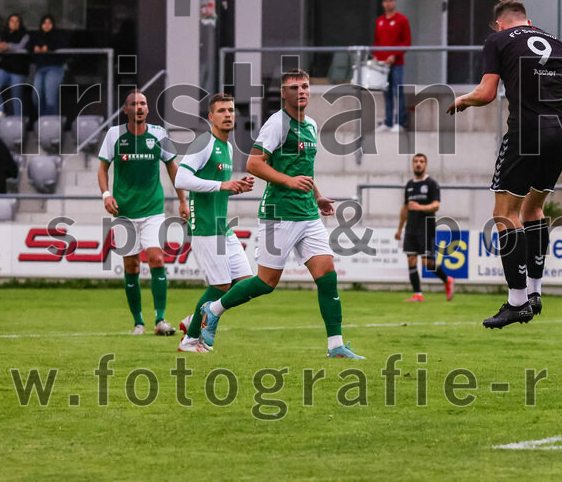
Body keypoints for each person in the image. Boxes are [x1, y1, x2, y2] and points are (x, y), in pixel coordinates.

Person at [198, 69, 364, 359]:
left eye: (305, 86)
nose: (301, 91)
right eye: (294, 87)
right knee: (265, 283)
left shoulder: (311, 125)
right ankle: (213, 310)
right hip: (279, 213)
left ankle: (336, 345)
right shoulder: (277, 124)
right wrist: (289, 182)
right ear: (283, 94)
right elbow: (253, 163)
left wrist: (318, 196)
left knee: (327, 276)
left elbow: (304, 172)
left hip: (308, 214)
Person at [447, 0, 562, 328]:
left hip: (526, 133)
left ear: (499, 24)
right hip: (561, 135)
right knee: (533, 210)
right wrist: (560, 122)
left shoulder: (497, 41)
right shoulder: (557, 43)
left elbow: (485, 93)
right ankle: (535, 292)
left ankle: (517, 302)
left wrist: (463, 100)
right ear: (529, 19)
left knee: (505, 215)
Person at [97, 90, 188, 336]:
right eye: (134, 104)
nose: (139, 107)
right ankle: (138, 322)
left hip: (152, 209)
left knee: (157, 258)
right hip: (124, 210)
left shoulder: (159, 135)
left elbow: (172, 168)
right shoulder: (114, 135)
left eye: (143, 103)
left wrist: (182, 200)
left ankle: (160, 320)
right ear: (125, 109)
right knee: (132, 266)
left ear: (148, 109)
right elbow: (102, 169)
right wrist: (107, 195)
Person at [174, 93, 256, 353]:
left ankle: (194, 319)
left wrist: (234, 188)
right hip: (206, 227)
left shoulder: (228, 147)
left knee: (245, 282)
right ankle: (189, 340)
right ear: (211, 117)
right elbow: (182, 180)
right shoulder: (204, 142)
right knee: (220, 286)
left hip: (223, 226)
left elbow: (215, 187)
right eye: (221, 111)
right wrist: (223, 184)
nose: (228, 114)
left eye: (231, 110)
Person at [395, 153, 452, 302]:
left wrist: (420, 207)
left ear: (425, 164)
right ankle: (418, 294)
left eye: (421, 161)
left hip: (426, 228)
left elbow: (436, 205)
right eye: (415, 161)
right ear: (412, 164)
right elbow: (405, 208)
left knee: (428, 263)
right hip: (410, 228)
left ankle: (447, 280)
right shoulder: (409, 185)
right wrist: (400, 229)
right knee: (411, 260)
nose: (418, 164)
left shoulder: (431, 184)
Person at [373, 0, 411, 132]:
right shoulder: (380, 21)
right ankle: (388, 121)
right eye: (386, 0)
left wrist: (394, 55)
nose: (388, 3)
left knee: (397, 90)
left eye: (391, 0)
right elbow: (377, 42)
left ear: (394, 2)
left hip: (396, 63)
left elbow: (406, 41)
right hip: (383, 64)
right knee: (386, 91)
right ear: (383, 3)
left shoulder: (402, 20)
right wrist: (377, 55)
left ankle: (400, 121)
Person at [0, 13, 32, 118]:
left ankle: (18, 120)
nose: (14, 23)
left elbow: (21, 47)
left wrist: (8, 46)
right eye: (12, 21)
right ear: (8, 23)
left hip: (19, 70)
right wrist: (0, 47)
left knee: (16, 96)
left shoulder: (25, 34)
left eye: (17, 21)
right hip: (5, 68)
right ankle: (0, 111)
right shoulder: (3, 33)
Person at [32, 14, 67, 117]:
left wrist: (49, 48)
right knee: (36, 95)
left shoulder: (58, 35)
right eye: (44, 23)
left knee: (50, 96)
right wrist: (34, 48)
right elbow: (29, 45)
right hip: (40, 68)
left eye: (49, 23)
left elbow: (63, 45)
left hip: (55, 68)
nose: (47, 25)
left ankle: (50, 124)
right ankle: (43, 120)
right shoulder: (37, 36)